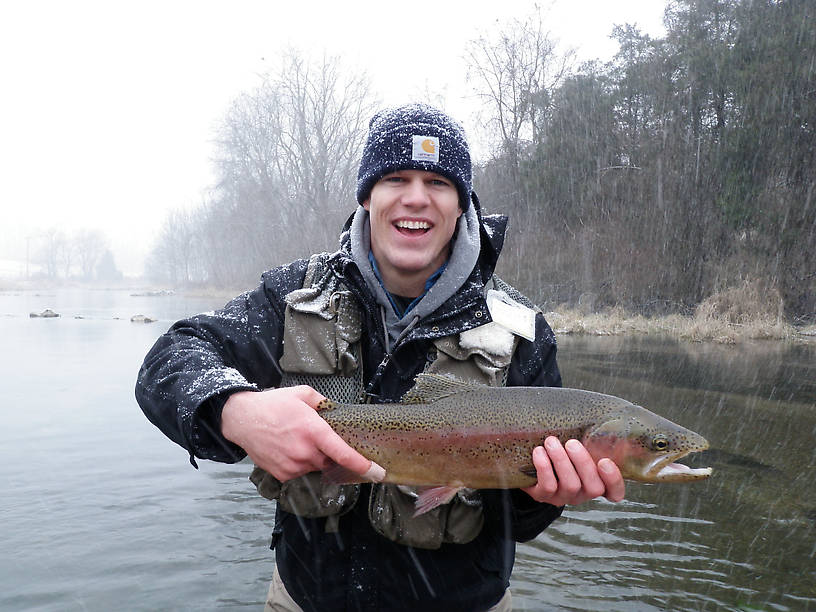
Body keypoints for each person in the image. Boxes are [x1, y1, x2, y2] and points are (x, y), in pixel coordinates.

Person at [136, 103, 625, 612]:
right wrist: (235, 412)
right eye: (396, 178)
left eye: (438, 183)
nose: (416, 198)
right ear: (368, 195)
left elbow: (516, 524)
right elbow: (168, 360)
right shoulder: (293, 297)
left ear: (462, 203)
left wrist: (540, 498)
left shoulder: (521, 333)